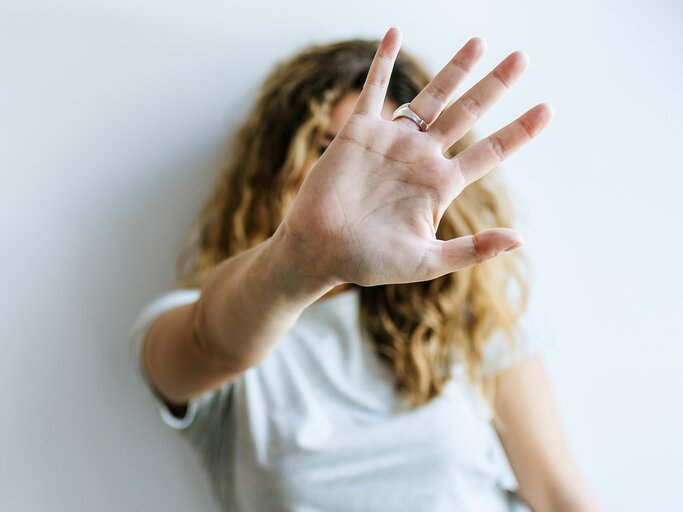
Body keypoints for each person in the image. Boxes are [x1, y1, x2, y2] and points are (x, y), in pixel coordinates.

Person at [130, 28, 600, 511]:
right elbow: (211, 343)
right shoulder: (205, 321)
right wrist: (300, 258)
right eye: (326, 150)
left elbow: (556, 492)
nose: (354, 181)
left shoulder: (473, 308)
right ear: (274, 166)